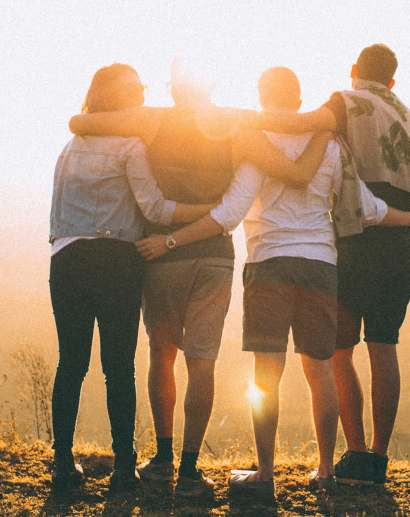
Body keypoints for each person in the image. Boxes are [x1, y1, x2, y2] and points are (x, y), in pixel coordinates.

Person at [135, 67, 410, 498]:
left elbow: (230, 213)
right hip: (320, 267)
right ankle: (327, 471)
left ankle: (266, 474)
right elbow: (366, 207)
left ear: (261, 97)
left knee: (266, 376)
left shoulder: (256, 143)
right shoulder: (330, 145)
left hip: (268, 265)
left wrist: (171, 239)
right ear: (299, 101)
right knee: (320, 371)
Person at [69, 60, 330, 497]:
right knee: (202, 362)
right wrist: (324, 127)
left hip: (162, 253)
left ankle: (163, 457)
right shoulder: (235, 124)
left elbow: (83, 122)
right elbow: (290, 163)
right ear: (211, 85)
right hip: (214, 256)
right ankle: (190, 469)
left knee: (162, 353)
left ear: (174, 90)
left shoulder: (153, 119)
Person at [245, 44, 410, 486]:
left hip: (358, 238)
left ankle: (355, 454)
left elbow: (298, 123)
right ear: (392, 80)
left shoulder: (345, 102)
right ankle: (378, 462)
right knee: (384, 347)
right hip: (401, 241)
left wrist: (236, 121)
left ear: (353, 71)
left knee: (338, 353)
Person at [48, 63, 214, 494]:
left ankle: (63, 465)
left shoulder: (70, 146)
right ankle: (123, 468)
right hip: (117, 260)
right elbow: (156, 210)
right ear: (115, 97)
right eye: (134, 88)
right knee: (117, 367)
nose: (142, 92)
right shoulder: (130, 145)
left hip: (66, 259)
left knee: (71, 363)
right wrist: (209, 211)